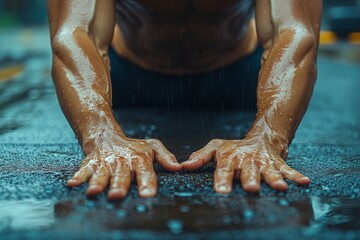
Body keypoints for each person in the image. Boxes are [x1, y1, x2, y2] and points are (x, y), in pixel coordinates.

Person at [47, 0, 321, 200]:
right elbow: (76, 32)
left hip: (237, 74)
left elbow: (294, 32)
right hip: (129, 75)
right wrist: (101, 136)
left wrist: (267, 138)